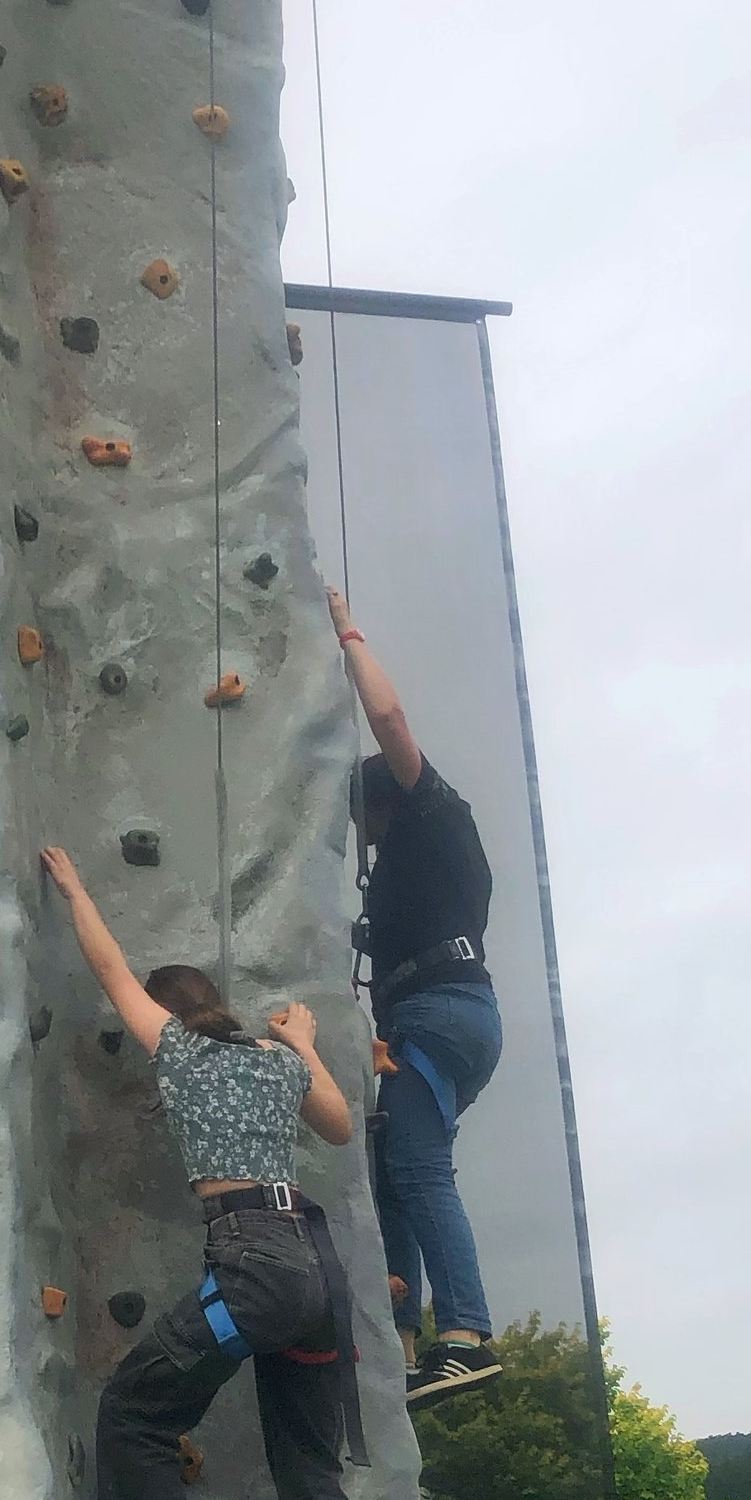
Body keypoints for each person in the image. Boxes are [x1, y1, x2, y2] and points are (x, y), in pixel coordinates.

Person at [37, 846, 386, 1500]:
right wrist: (303, 1040)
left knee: (135, 1406)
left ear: (169, 1009)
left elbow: (109, 969)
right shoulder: (274, 1061)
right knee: (309, 1475)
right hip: (312, 1273)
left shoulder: (179, 1050)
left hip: (252, 1267)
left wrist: (77, 890)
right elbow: (342, 1127)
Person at [327, 594, 503, 1409]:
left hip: (437, 1012)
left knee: (420, 1170)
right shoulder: (439, 859)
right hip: (449, 1013)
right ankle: (404, 1333)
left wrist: (347, 631)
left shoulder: (430, 812)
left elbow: (391, 719)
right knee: (395, 1168)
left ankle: (466, 1333)